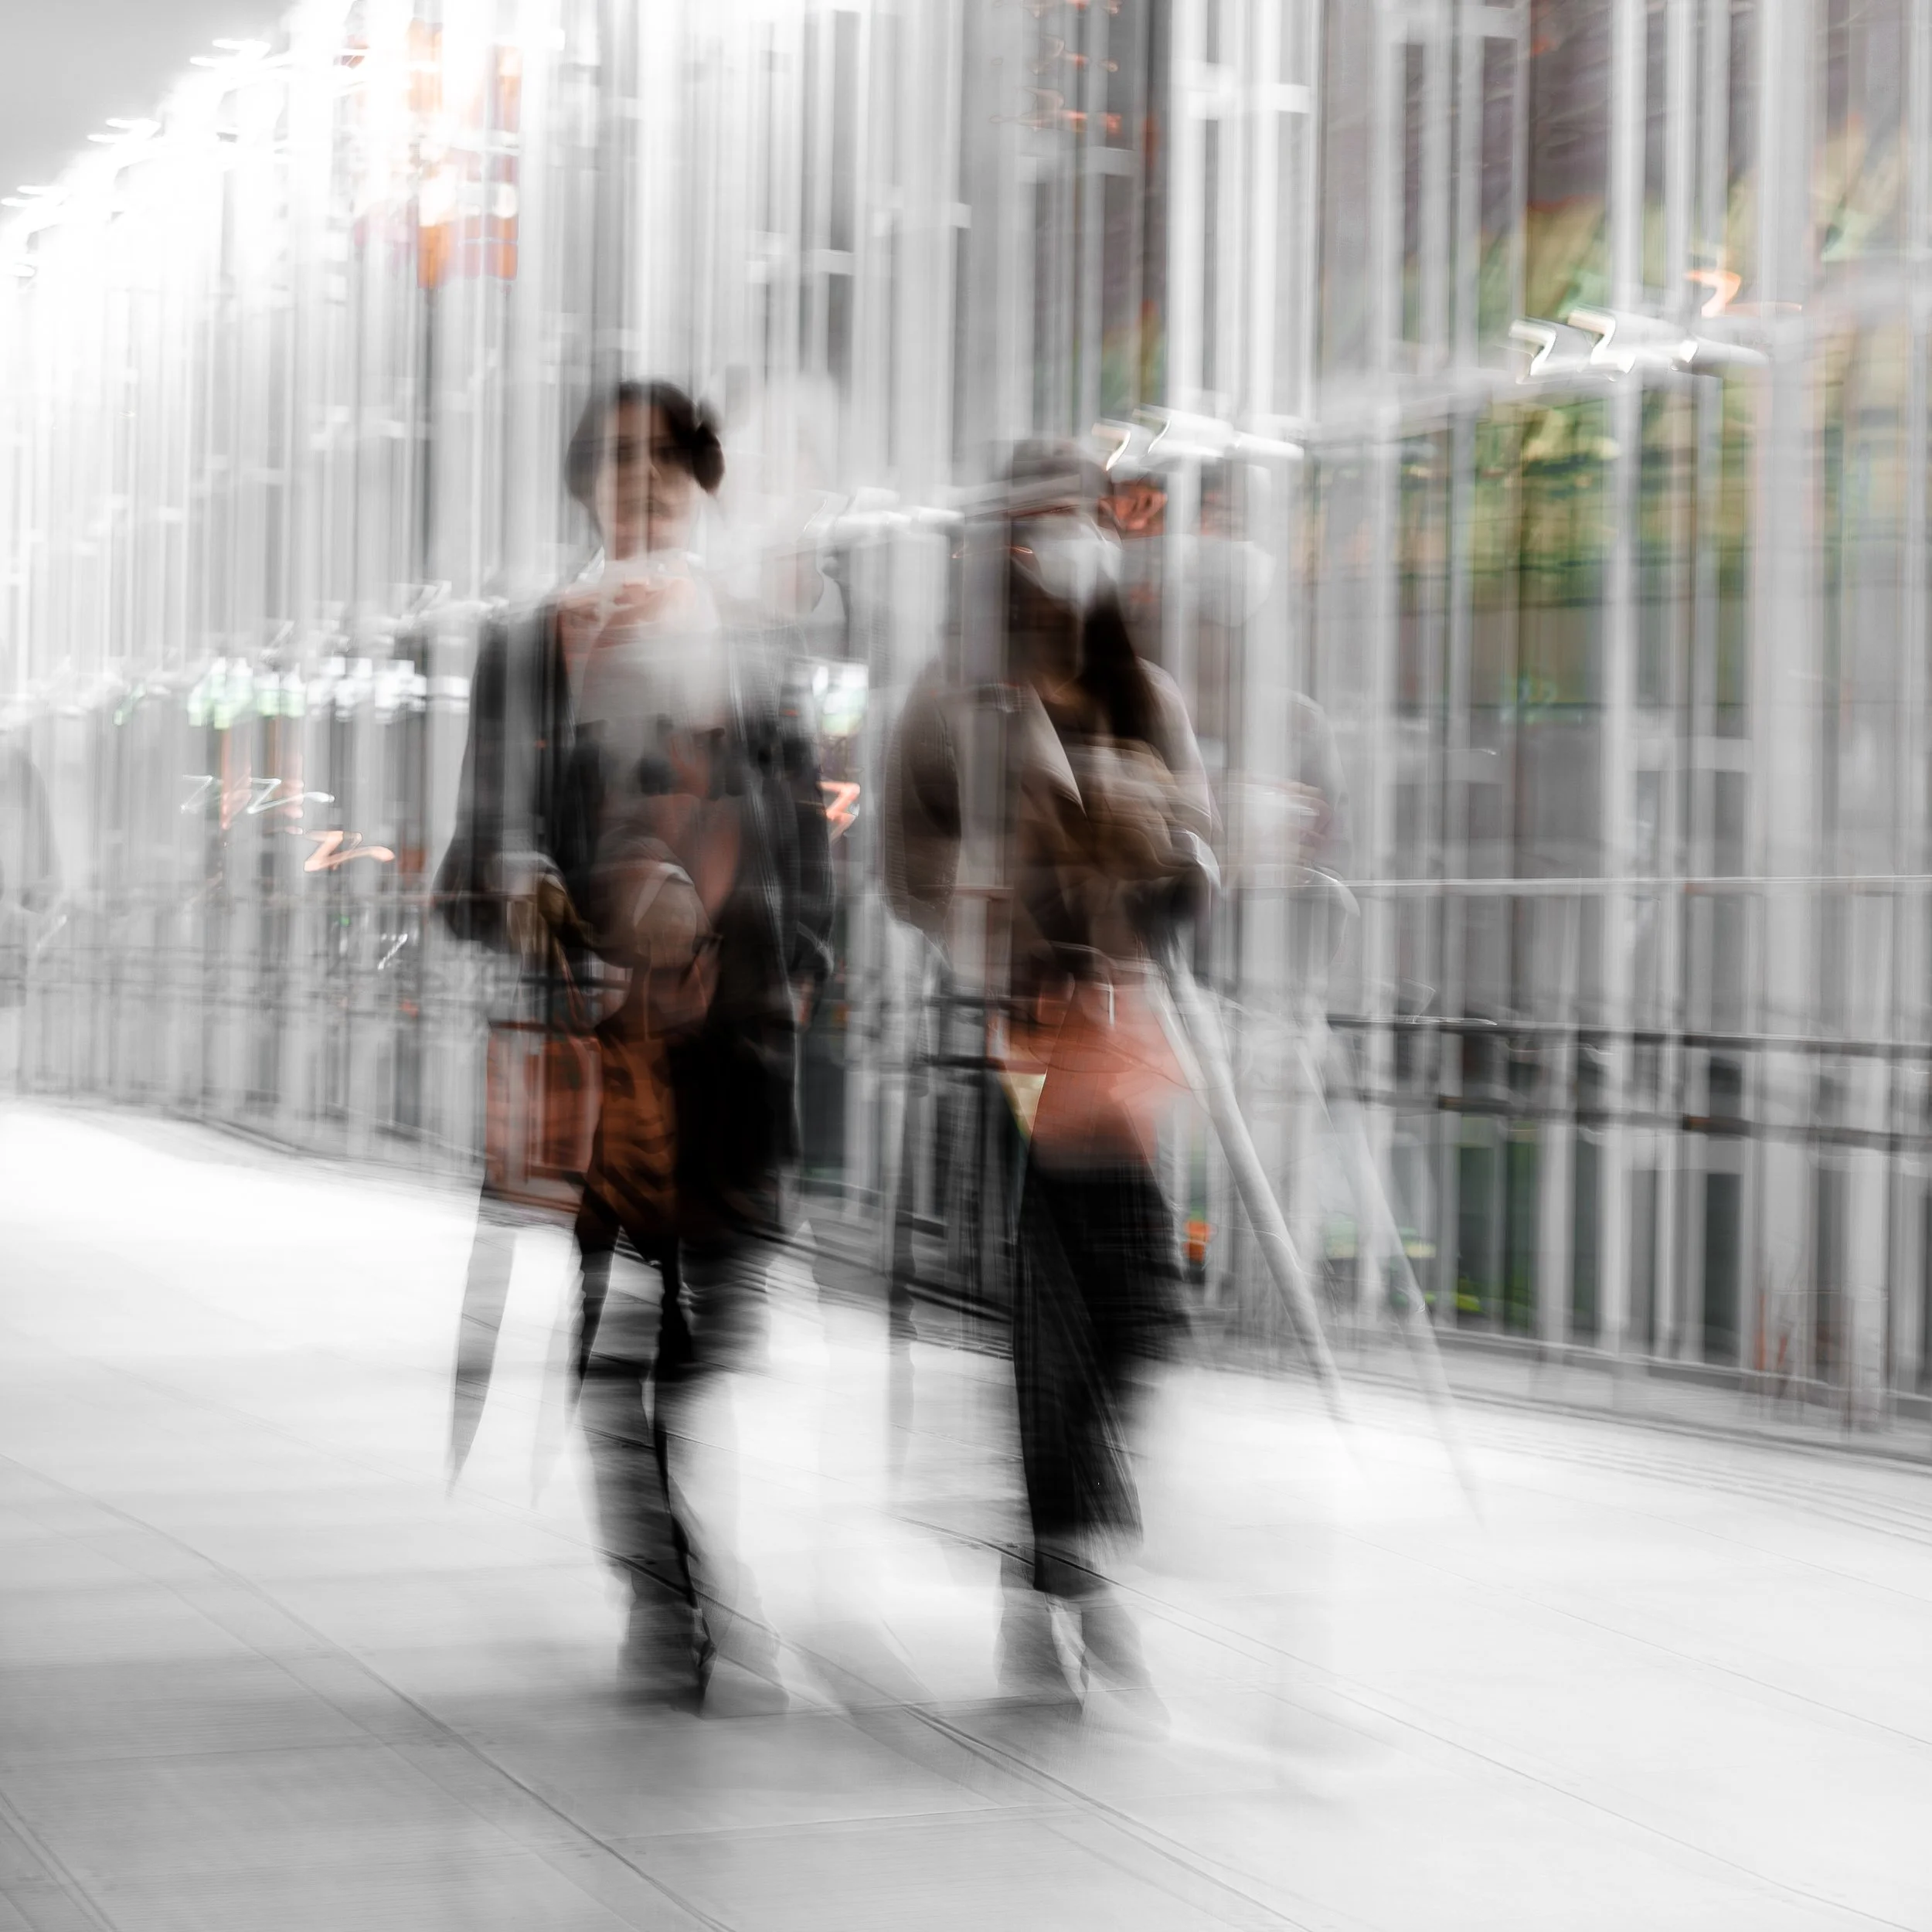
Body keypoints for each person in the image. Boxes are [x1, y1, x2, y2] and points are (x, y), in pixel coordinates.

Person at [883, 444, 1213, 1720]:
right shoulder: (955, 699)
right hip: (1013, 1037)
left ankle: (1053, 1558)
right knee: (1050, 1323)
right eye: (1035, 526)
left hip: (1120, 1032)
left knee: (1137, 1313)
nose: (1065, 545)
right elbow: (909, 868)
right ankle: (1061, 1575)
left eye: (1081, 521)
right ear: (997, 546)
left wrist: (1162, 843)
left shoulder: (1143, 695)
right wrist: (987, 901)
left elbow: (1197, 862)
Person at [557, 381, 835, 1709]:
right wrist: (542, 894)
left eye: (666, 462)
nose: (644, 482)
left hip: (733, 1063)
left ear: (699, 484)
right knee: (612, 1360)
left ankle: (675, 1584)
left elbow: (809, 836)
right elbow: (475, 856)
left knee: (707, 1345)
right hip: (606, 1070)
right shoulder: (539, 651)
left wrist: (798, 965)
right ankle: (672, 1592)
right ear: (586, 489)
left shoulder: (754, 653)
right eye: (616, 463)